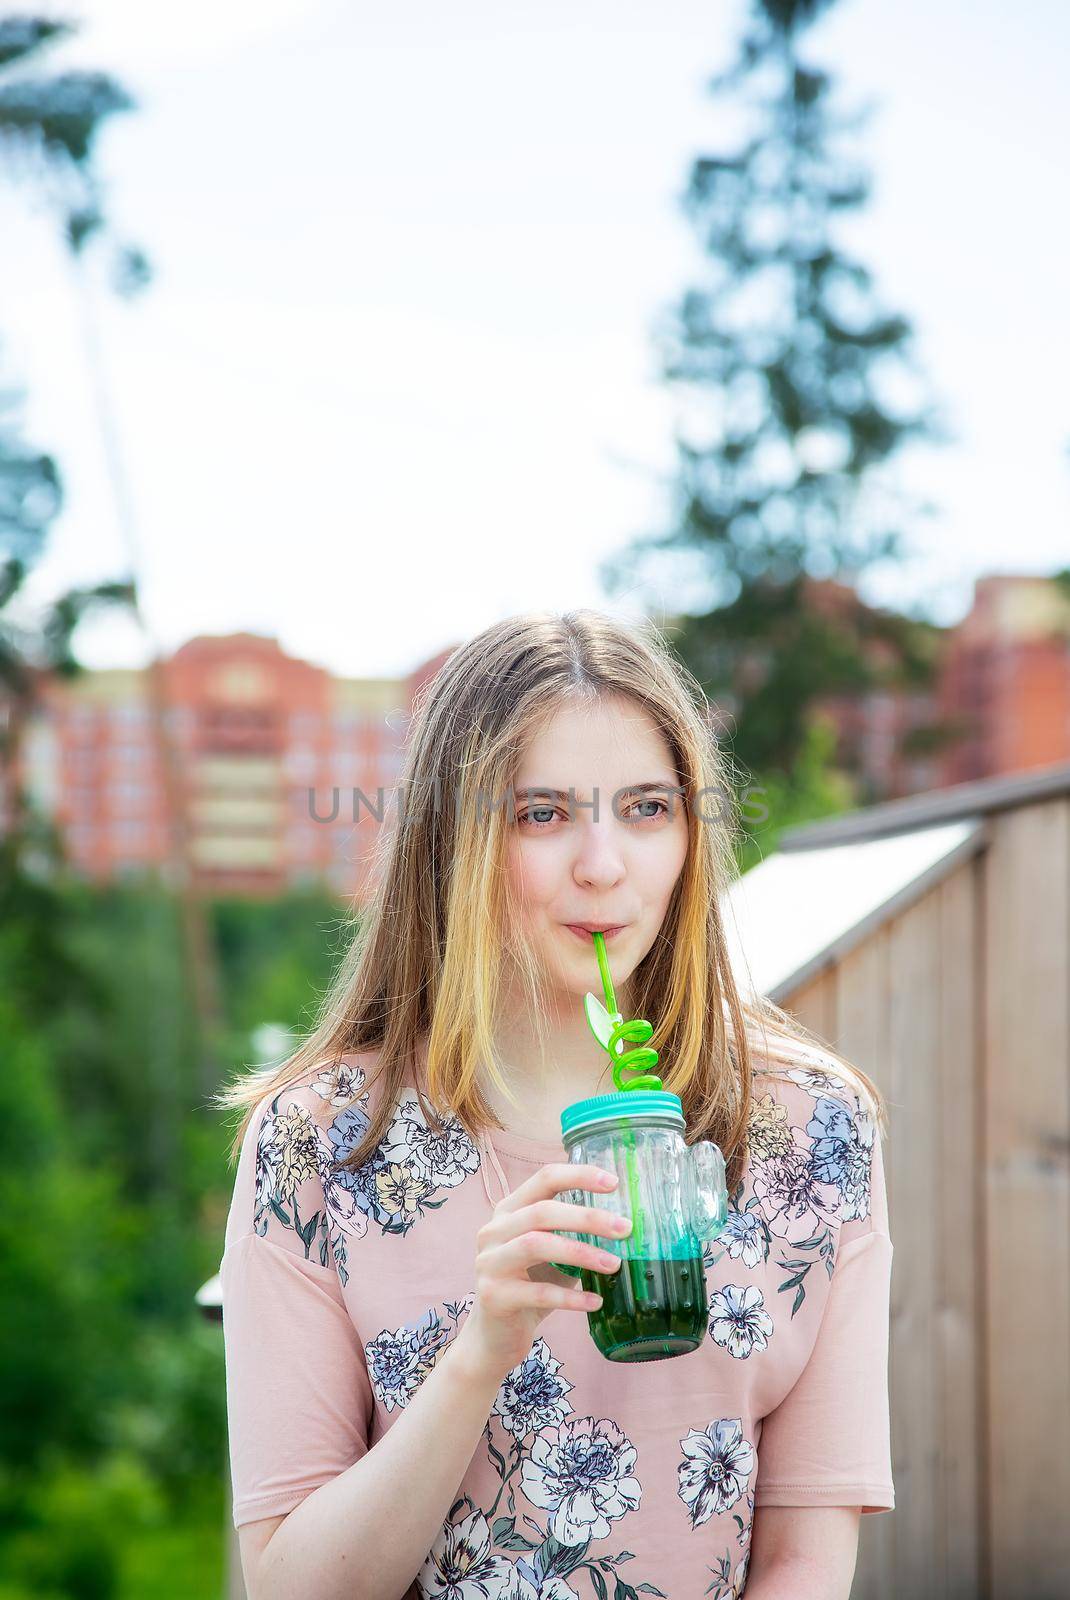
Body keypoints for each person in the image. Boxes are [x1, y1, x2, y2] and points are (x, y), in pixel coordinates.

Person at [213, 610, 894, 1600]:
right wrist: (481, 1351)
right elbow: (290, 1587)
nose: (603, 864)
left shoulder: (813, 1132)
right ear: (454, 842)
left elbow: (804, 1561)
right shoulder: (318, 1147)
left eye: (647, 808)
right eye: (541, 813)